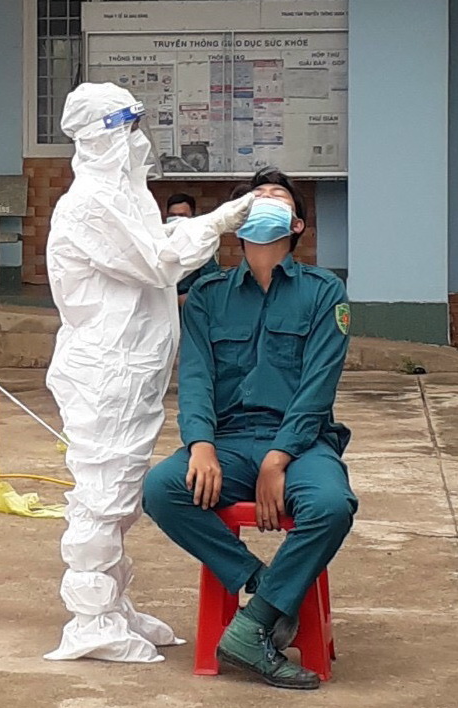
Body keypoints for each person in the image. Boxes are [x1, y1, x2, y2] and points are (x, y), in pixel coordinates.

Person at [44, 82, 254, 663]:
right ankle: (91, 619)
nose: (138, 141)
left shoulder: (122, 198)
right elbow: (158, 260)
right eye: (126, 129)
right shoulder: (89, 205)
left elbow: (153, 241)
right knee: (102, 492)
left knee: (121, 492)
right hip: (105, 371)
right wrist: (219, 221)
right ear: (99, 137)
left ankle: (112, 602)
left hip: (129, 370)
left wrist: (206, 224)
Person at [142, 167, 356, 689]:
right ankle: (266, 594)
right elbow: (196, 377)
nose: (265, 203)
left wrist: (278, 459)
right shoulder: (208, 296)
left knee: (331, 506)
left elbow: (318, 388)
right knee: (161, 489)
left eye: (277, 198)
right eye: (254, 199)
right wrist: (200, 444)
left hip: (302, 444)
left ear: (297, 224)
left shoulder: (325, 292)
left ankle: (252, 624)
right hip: (230, 442)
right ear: (236, 221)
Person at [166, 193, 221, 305]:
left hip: (188, 307)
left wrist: (186, 298)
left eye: (182, 216)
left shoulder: (202, 244)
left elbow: (212, 283)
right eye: (172, 215)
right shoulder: (158, 241)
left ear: (191, 217)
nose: (176, 220)